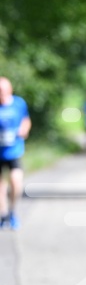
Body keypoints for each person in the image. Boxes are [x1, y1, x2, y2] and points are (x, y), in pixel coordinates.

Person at [0, 77, 31, 230]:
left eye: (4, 90)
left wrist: (23, 130)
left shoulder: (19, 103)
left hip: (14, 151)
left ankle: (12, 211)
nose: (2, 94)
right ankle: (3, 214)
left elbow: (26, 120)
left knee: (15, 182)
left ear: (10, 90)